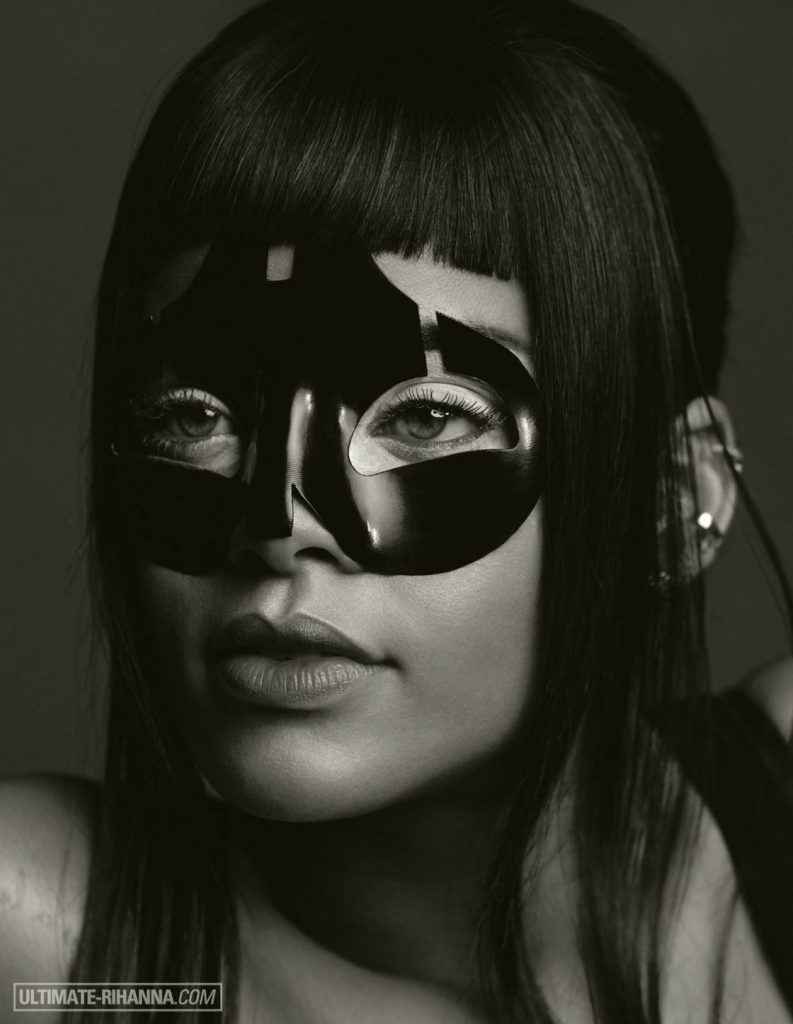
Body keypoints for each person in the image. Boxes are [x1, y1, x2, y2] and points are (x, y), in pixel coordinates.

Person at [1, 1, 792, 1020]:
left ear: (670, 499)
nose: (277, 525)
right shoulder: (49, 944)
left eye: (425, 415)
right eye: (194, 415)